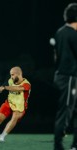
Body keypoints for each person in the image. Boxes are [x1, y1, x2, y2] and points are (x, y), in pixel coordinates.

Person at [53, 3, 77, 150]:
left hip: (63, 75)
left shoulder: (60, 31)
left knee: (72, 111)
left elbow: (55, 56)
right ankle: (58, 146)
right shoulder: (73, 34)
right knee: (65, 112)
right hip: (69, 78)